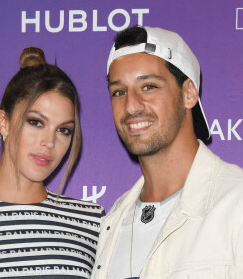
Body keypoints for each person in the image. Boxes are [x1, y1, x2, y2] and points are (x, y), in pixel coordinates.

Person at [91, 26, 243, 278]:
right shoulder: (113, 221)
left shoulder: (236, 204)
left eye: (148, 86)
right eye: (119, 92)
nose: (130, 106)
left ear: (189, 93)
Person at [0, 47, 104, 278]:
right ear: (3, 123)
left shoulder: (92, 222)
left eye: (64, 130)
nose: (49, 142)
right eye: (36, 122)